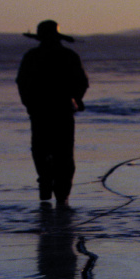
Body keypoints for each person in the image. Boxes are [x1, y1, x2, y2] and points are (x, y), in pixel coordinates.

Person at [17, 20, 89, 205]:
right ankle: (61, 194)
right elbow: (81, 82)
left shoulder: (32, 56)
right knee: (63, 153)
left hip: (41, 112)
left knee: (41, 150)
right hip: (61, 111)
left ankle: (47, 183)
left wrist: (29, 104)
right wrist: (78, 99)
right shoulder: (68, 55)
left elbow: (22, 83)